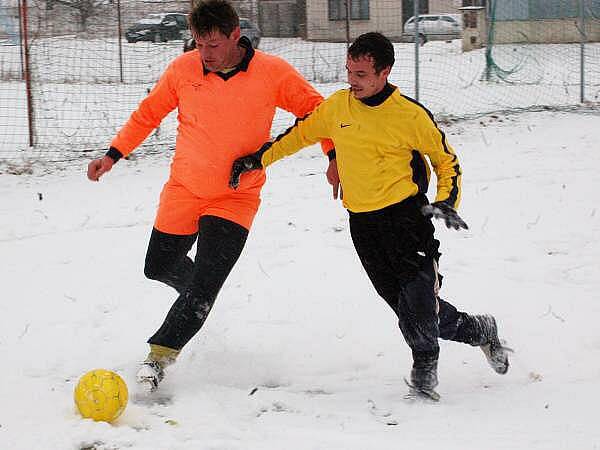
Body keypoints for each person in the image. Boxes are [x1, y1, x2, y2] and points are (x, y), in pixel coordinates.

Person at [230, 32, 509, 400]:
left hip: (407, 219)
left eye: (361, 74)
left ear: (384, 72)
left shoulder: (410, 115)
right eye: (349, 71)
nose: (352, 80)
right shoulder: (337, 108)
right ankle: (479, 330)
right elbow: (296, 137)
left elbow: (446, 160)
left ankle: (425, 370)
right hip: (363, 225)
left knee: (420, 302)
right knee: (410, 311)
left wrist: (446, 200)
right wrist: (256, 160)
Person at [86, 0, 333, 392]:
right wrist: (114, 154)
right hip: (184, 188)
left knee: (203, 285)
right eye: (199, 44)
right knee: (158, 266)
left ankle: (159, 356)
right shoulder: (184, 69)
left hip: (236, 197)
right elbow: (149, 113)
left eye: (214, 45)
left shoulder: (272, 73)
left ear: (236, 36)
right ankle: (200, 296)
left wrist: (332, 155)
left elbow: (317, 112)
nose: (206, 54)